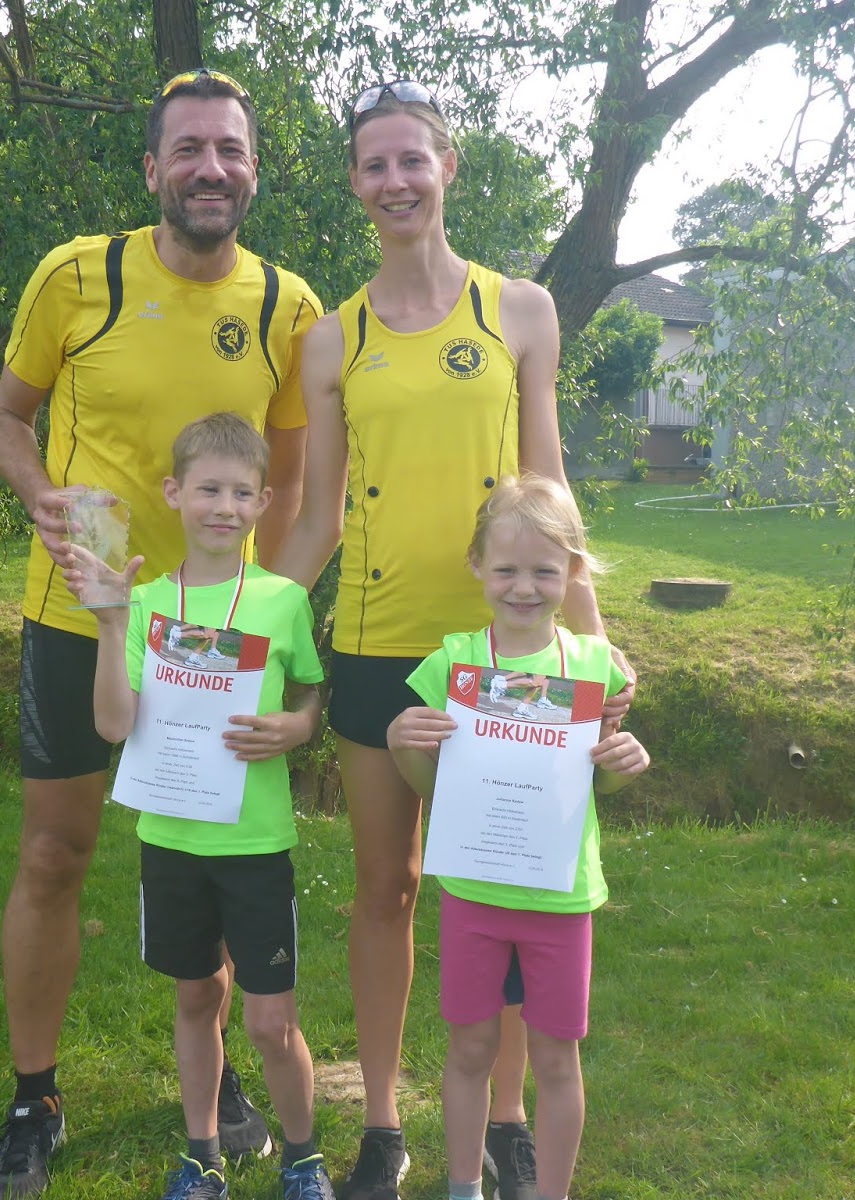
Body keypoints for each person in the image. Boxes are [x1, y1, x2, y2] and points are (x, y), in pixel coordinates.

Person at [271, 81, 633, 1199]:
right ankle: (384, 1122)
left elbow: (549, 489)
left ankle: (507, 1122)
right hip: (380, 648)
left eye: (411, 161)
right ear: (354, 183)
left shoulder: (519, 311)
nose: (395, 182)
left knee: (515, 882)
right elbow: (317, 519)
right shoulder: (332, 339)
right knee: (388, 887)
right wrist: (239, 624)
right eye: (374, 165)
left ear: (446, 168)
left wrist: (596, 648)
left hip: (508, 655)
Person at [0, 68, 323, 1198]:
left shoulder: (288, 307)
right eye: (188, 149)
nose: (209, 168)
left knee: (213, 852)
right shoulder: (76, 276)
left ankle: (217, 1086)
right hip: (84, 615)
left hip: (213, 643)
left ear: (254, 170)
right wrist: (39, 495)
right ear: (152, 169)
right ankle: (34, 1100)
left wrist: (265, 613)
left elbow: (288, 483)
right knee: (55, 855)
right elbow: (6, 416)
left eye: (229, 149)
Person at [64, 414, 334, 1200]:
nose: (225, 506)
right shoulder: (145, 602)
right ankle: (202, 1156)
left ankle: (303, 1159)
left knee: (270, 1022)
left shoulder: (282, 600)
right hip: (173, 842)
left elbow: (309, 693)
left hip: (254, 846)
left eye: (242, 493)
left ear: (264, 502)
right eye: (209, 489)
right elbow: (113, 724)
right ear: (174, 493)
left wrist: (299, 727)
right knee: (196, 998)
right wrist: (111, 623)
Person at [387, 473, 650, 1200]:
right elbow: (429, 785)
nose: (524, 587)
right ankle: (464, 1188)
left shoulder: (595, 668)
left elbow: (593, 783)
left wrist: (623, 764)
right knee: (470, 1048)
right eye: (506, 569)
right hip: (474, 892)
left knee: (557, 1061)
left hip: (560, 899)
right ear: (477, 565)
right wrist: (402, 741)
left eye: (544, 570)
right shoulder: (453, 663)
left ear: (574, 570)